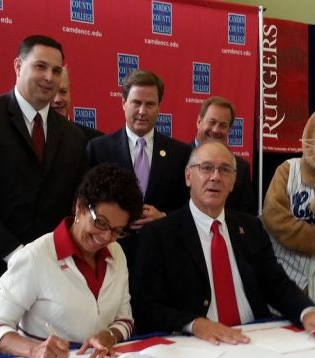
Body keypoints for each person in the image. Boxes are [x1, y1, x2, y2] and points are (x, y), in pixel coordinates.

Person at [0, 35, 88, 358]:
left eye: (56, 70)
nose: (49, 77)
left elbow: (73, 204)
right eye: (40, 67)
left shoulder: (73, 136)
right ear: (18, 65)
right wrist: (17, 254)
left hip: (50, 284)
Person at [130, 141, 315, 344]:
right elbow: (146, 308)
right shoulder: (159, 235)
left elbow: (276, 283)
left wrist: (308, 312)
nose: (215, 177)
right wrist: (194, 324)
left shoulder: (251, 228)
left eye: (224, 170)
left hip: (256, 339)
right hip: (198, 344)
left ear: (232, 182)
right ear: (188, 176)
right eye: (206, 168)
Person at [0, 164, 143, 358]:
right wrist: (35, 350)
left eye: (117, 231)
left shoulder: (116, 253)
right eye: (100, 223)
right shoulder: (36, 257)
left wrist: (109, 336)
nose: (106, 237)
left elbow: (125, 320)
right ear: (80, 207)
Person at [87, 70, 190, 267]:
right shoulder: (99, 148)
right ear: (124, 103)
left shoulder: (180, 153)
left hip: (163, 256)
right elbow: (87, 202)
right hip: (110, 254)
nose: (142, 111)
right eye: (136, 103)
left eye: (150, 104)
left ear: (159, 107)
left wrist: (164, 217)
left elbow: (189, 205)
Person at [193, 96, 256, 214]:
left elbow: (247, 217)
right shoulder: (179, 159)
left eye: (223, 125)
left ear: (229, 129)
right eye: (211, 122)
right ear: (199, 122)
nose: (216, 130)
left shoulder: (241, 168)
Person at [51, 65, 103, 140]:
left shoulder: (95, 141)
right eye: (52, 93)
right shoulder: (33, 139)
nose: (57, 99)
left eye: (63, 92)